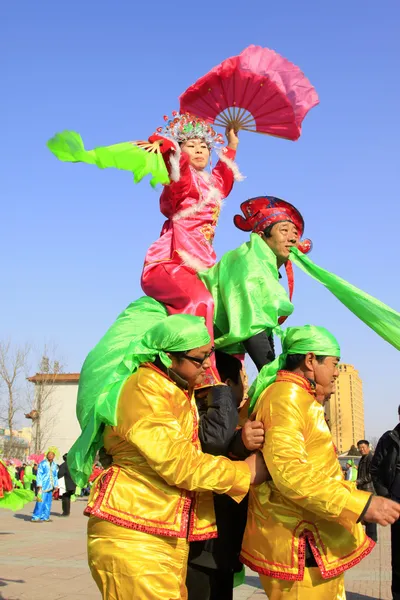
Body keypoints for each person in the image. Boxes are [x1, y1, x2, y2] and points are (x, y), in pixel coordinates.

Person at [68, 312, 267, 599]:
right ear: (167, 357)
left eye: (208, 355)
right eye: (199, 359)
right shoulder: (143, 389)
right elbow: (179, 463)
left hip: (160, 532)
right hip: (133, 534)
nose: (207, 366)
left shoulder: (174, 390)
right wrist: (244, 473)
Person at [240, 325, 400, 599]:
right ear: (310, 360)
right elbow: (291, 475)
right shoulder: (285, 398)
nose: (337, 372)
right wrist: (361, 504)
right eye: (334, 364)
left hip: (312, 537)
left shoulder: (301, 398)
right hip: (299, 542)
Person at [186, 351, 264, 600]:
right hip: (204, 542)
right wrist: (219, 387)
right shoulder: (202, 407)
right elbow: (216, 441)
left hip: (222, 542)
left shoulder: (230, 413)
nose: (247, 388)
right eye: (243, 379)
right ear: (227, 384)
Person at [371, 405, 400, 600]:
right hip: (398, 505)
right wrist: (387, 496)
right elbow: (375, 469)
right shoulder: (389, 439)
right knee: (399, 559)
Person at [356, 439, 377, 542]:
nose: (361, 450)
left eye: (363, 447)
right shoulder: (363, 458)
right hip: (363, 490)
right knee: (366, 514)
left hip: (369, 490)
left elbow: (371, 475)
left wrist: (358, 481)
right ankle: (369, 537)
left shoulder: (370, 458)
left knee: (371, 514)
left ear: (368, 448)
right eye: (360, 448)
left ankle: (372, 538)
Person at [31, 451, 58, 523]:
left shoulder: (54, 465)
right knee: (40, 501)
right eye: (49, 454)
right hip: (43, 486)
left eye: (51, 455)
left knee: (48, 502)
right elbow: (39, 474)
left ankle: (45, 517)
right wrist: (39, 485)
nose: (50, 456)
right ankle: (36, 517)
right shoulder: (43, 463)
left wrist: (56, 485)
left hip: (50, 486)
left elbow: (55, 476)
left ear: (54, 456)